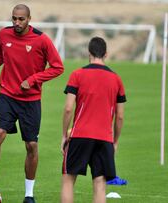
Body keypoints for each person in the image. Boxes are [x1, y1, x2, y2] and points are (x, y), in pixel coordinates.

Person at [0, 4, 64, 203]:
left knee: (31, 146)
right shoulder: (4, 35)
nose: (17, 22)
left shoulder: (42, 40)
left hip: (30, 102)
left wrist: (34, 80)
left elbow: (58, 67)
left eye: (21, 19)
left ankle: (29, 195)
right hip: (7, 96)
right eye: (14, 18)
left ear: (29, 18)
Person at [60, 37, 126, 203]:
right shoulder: (116, 79)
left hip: (80, 135)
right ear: (106, 54)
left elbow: (68, 108)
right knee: (99, 184)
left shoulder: (77, 75)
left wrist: (63, 135)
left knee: (68, 180)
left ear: (88, 53)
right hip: (104, 138)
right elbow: (120, 116)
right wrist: (115, 142)